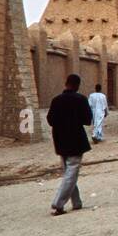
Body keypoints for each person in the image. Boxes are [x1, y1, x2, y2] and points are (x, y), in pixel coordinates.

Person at [46, 73, 93, 216]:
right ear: (78, 85)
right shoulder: (81, 99)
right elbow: (87, 120)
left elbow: (50, 120)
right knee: (72, 171)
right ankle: (58, 203)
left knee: (68, 172)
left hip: (60, 140)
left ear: (66, 83)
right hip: (75, 140)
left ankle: (77, 202)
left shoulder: (56, 100)